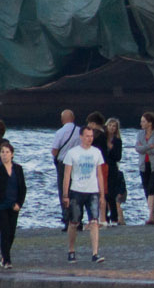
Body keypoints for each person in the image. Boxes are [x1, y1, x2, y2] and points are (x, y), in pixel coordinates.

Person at [62, 123, 107, 263]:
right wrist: (65, 195)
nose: (90, 139)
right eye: (87, 136)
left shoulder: (96, 152)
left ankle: (95, 253)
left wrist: (102, 194)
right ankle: (71, 250)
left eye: (91, 136)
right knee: (74, 222)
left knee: (94, 222)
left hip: (92, 190)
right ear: (81, 137)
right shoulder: (72, 153)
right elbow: (67, 175)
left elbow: (100, 174)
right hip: (76, 190)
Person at [0, 140, 28, 270]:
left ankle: (4, 254)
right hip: (2, 205)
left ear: (12, 154)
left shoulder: (18, 169)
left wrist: (19, 203)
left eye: (7, 152)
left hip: (14, 205)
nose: (5, 154)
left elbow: (23, 187)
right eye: (2, 152)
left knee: (12, 233)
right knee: (5, 231)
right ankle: (6, 259)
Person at [50, 109, 81, 219]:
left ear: (62, 120)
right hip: (77, 164)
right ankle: (77, 217)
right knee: (77, 190)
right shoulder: (80, 131)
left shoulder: (60, 132)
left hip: (63, 164)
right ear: (73, 118)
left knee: (64, 190)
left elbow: (54, 150)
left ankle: (66, 216)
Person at [102, 117, 128, 225]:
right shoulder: (102, 139)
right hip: (102, 167)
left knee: (111, 193)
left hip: (112, 168)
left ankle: (114, 217)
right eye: (110, 125)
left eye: (114, 126)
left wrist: (111, 148)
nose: (112, 128)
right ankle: (103, 217)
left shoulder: (117, 141)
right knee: (102, 193)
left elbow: (118, 157)